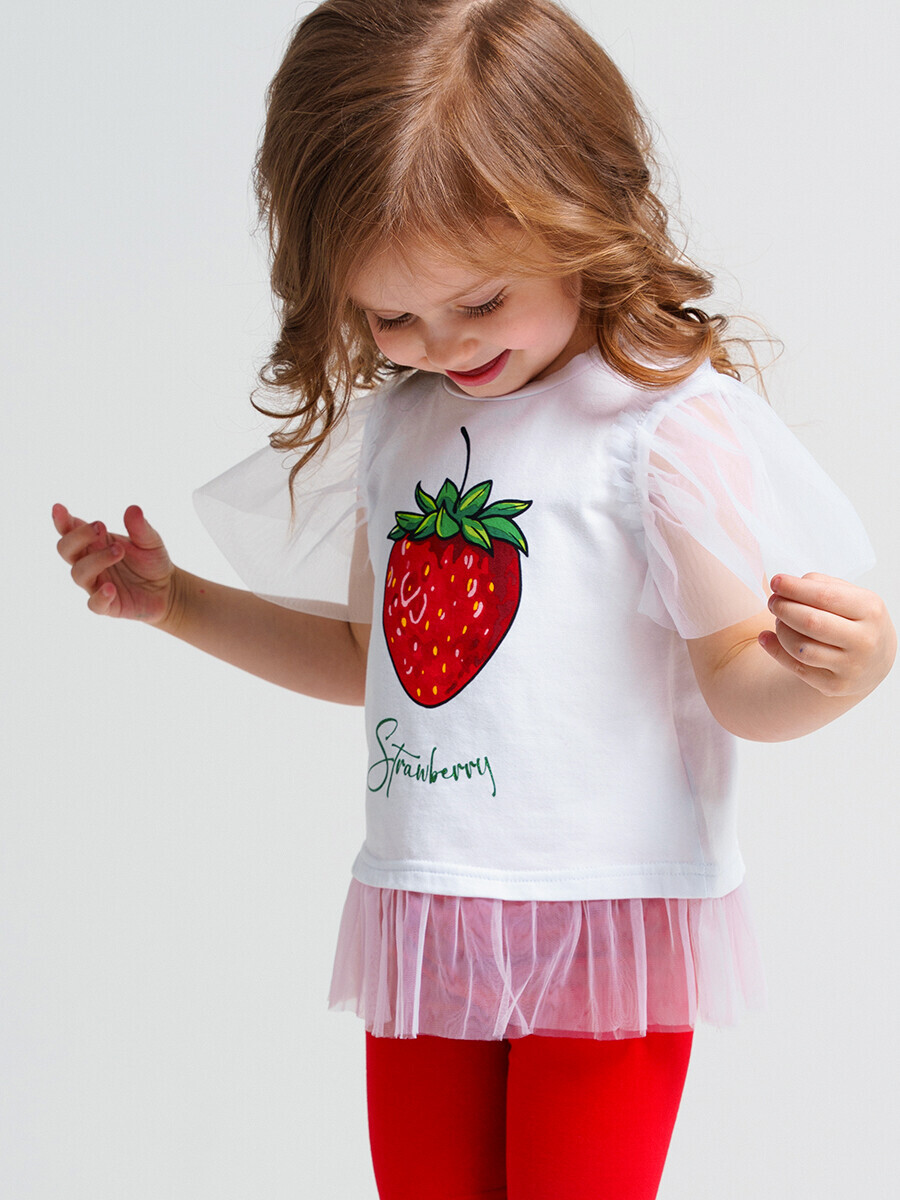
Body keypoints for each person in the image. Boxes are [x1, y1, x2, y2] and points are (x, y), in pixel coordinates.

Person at [51, 1, 896, 1196]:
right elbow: (373, 660)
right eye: (392, 316)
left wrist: (841, 675)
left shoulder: (658, 426)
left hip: (604, 923)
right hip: (430, 911)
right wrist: (180, 602)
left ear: (582, 212)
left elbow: (737, 684)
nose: (442, 345)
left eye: (482, 302)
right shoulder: (403, 428)